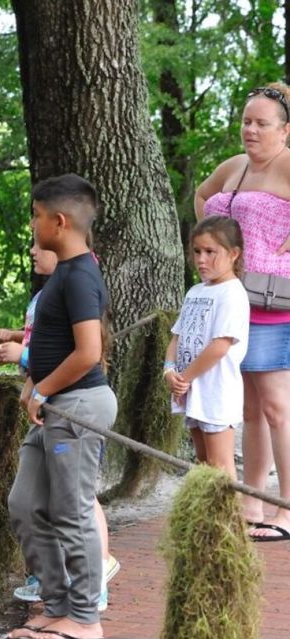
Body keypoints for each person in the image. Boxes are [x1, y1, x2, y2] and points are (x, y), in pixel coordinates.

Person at [2, 174, 117, 639]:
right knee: (27, 503)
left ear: (59, 221)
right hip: (52, 404)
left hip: (78, 406)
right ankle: (56, 603)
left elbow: (89, 352)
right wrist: (34, 386)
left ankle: (85, 619)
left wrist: (43, 387)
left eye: (35, 215)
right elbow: (51, 340)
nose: (32, 224)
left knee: (71, 510)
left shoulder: (82, 276)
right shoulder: (64, 274)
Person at [195, 82, 290, 541]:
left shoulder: (287, 164)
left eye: (261, 124)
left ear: (285, 130)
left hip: (274, 303)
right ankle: (253, 501)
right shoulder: (232, 168)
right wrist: (209, 249)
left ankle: (286, 509)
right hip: (231, 303)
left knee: (276, 407)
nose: (250, 130)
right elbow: (201, 196)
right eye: (246, 122)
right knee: (248, 407)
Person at [164, 217, 249, 480]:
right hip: (191, 392)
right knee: (203, 466)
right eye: (197, 251)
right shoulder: (195, 292)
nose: (201, 259)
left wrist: (185, 378)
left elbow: (220, 346)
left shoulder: (232, 294)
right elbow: (177, 336)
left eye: (211, 252)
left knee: (220, 467)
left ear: (233, 254)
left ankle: (230, 521)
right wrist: (169, 371)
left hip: (216, 392)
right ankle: (206, 521)